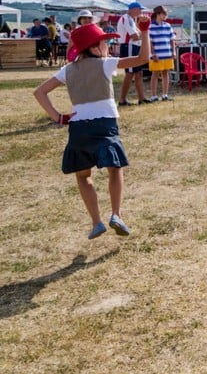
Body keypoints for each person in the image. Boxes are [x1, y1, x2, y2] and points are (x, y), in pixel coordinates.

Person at [33, 16, 152, 239]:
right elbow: (143, 58)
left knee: (83, 176)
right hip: (105, 124)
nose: (107, 46)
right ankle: (116, 214)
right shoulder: (106, 64)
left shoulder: (67, 70)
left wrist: (58, 117)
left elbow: (39, 92)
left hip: (78, 128)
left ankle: (96, 222)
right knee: (115, 169)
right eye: (104, 42)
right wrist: (144, 31)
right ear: (95, 48)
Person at [117, 2, 149, 106]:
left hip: (131, 46)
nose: (140, 12)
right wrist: (142, 34)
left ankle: (141, 98)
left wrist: (140, 33)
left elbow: (137, 34)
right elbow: (135, 36)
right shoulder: (126, 18)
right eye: (139, 9)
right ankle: (122, 99)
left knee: (138, 73)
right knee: (130, 73)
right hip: (129, 46)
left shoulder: (130, 19)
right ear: (134, 9)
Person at [148, 5, 176, 102]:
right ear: (158, 14)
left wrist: (174, 51)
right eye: (164, 13)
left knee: (165, 74)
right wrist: (152, 54)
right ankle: (154, 96)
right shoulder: (150, 27)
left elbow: (172, 40)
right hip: (157, 55)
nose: (165, 15)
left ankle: (165, 95)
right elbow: (149, 42)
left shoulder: (168, 26)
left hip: (167, 54)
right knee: (155, 74)